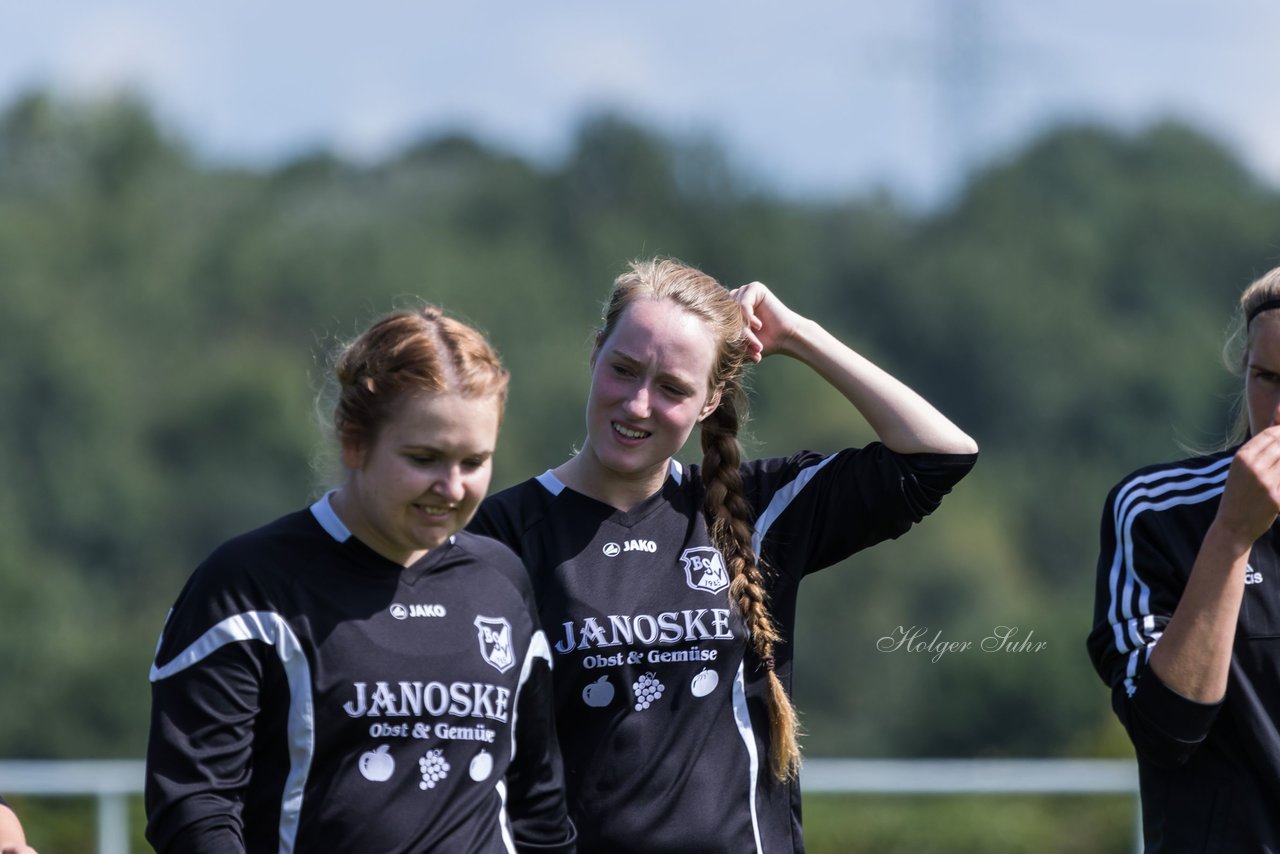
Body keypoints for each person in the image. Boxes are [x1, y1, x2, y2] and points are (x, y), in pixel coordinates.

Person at [469, 258, 978, 852]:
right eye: (624, 370)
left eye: (672, 389)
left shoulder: (757, 511)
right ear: (594, 356)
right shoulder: (497, 534)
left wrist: (798, 336)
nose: (637, 405)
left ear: (711, 400)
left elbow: (939, 456)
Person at [145, 306, 576, 853]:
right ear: (354, 442)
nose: (451, 486)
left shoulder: (502, 579)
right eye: (424, 458)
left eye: (474, 462)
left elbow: (537, 805)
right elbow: (194, 808)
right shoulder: (246, 585)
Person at [1088, 265, 1280, 851]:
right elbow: (1167, 730)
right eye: (1268, 377)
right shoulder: (1156, 513)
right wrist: (1229, 536)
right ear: (1243, 368)